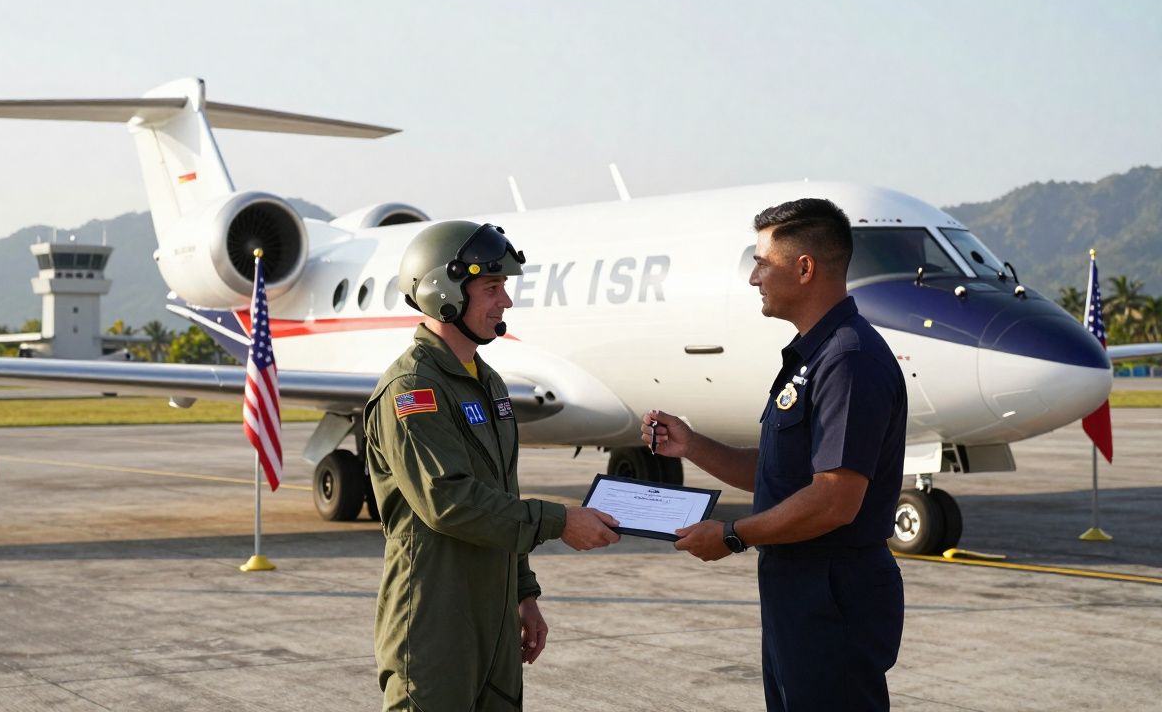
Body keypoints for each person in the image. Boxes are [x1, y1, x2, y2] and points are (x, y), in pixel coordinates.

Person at [643, 198, 907, 711]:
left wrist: (733, 535)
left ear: (804, 269)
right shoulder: (814, 355)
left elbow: (834, 500)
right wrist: (691, 445)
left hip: (832, 593)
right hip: (799, 590)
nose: (753, 278)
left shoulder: (848, 359)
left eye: (761, 262)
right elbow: (777, 472)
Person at [365, 220, 621, 711]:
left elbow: (501, 493)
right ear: (445, 293)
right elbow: (451, 502)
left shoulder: (490, 383)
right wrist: (559, 520)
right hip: (435, 621)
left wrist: (524, 593)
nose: (505, 302)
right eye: (492, 287)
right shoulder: (413, 391)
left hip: (496, 616)